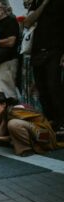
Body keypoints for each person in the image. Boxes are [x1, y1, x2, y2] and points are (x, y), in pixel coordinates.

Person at [0, 92, 61, 156]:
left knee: (13, 124)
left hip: (46, 137)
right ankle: (27, 146)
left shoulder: (15, 110)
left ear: (4, 104)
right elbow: (2, 134)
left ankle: (26, 149)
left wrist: (0, 139)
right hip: (39, 134)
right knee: (12, 125)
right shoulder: (5, 113)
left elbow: (13, 134)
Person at [29, 0, 64, 132]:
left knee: (54, 86)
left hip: (55, 50)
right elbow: (27, 22)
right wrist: (43, 4)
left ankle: (61, 120)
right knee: (42, 87)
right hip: (38, 51)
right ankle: (51, 120)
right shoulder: (37, 2)